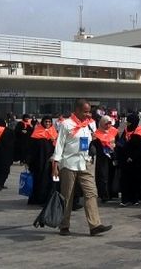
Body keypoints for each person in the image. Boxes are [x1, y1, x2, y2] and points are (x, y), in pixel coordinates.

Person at [52, 99, 112, 236]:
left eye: (89, 111)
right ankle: (64, 225)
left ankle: (95, 225)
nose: (88, 114)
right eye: (85, 111)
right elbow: (59, 144)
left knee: (91, 193)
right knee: (67, 195)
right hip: (69, 164)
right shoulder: (66, 124)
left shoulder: (89, 125)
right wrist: (55, 163)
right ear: (77, 110)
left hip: (86, 163)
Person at [119, 113, 141, 207]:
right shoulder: (125, 131)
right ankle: (125, 199)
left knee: (135, 181)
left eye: (129, 122)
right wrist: (125, 156)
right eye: (127, 122)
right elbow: (121, 144)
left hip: (136, 162)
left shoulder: (140, 131)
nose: (128, 124)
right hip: (125, 161)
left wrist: (132, 157)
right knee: (125, 181)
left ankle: (134, 199)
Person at [27, 116, 58, 205]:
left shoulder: (54, 132)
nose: (48, 124)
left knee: (49, 181)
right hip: (39, 162)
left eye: (49, 122)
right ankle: (38, 199)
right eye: (46, 122)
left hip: (50, 162)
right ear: (42, 122)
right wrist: (28, 161)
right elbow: (30, 148)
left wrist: (53, 141)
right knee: (39, 180)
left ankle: (47, 199)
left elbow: (58, 147)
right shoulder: (37, 132)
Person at [93, 115, 118, 202]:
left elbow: (118, 142)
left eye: (109, 124)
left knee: (112, 175)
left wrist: (115, 146)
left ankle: (112, 193)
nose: (108, 126)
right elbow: (94, 145)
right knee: (103, 176)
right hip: (102, 157)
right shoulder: (97, 133)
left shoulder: (114, 131)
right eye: (106, 124)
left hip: (112, 156)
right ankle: (104, 195)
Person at [0, 118, 15, 191]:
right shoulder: (8, 131)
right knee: (5, 169)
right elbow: (14, 141)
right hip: (6, 153)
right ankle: (1, 183)